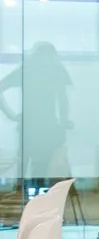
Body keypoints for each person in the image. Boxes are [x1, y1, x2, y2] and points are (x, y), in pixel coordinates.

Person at [0, 41, 72, 182]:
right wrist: (63, 121)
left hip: (36, 124)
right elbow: (63, 98)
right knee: (36, 165)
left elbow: (63, 98)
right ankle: (34, 195)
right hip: (41, 124)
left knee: (27, 163)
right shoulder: (53, 70)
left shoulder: (30, 69)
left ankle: (27, 193)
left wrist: (11, 114)